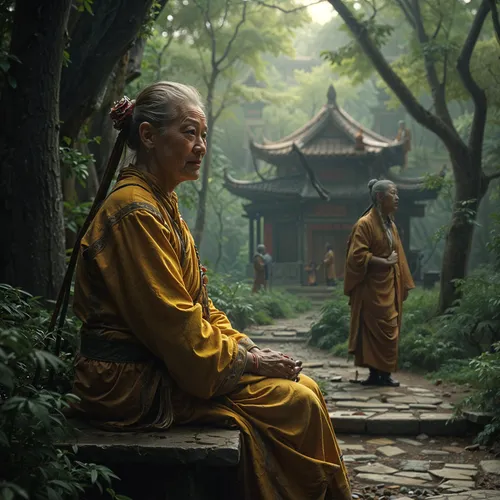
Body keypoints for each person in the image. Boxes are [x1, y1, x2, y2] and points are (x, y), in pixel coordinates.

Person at [70, 82, 351, 500]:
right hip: (128, 383)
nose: (200, 146)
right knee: (296, 404)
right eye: (189, 132)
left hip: (163, 365)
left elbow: (201, 307)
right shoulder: (134, 211)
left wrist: (247, 348)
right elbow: (176, 328)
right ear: (148, 136)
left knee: (305, 388)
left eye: (203, 135)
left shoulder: (162, 206)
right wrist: (251, 364)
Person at [344, 179, 415, 387]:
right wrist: (383, 262)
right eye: (393, 193)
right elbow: (356, 256)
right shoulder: (364, 224)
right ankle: (375, 374)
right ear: (379, 197)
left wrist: (402, 278)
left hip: (389, 285)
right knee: (372, 332)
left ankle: (385, 373)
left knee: (390, 328)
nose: (397, 197)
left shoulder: (390, 225)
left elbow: (399, 256)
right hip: (371, 288)